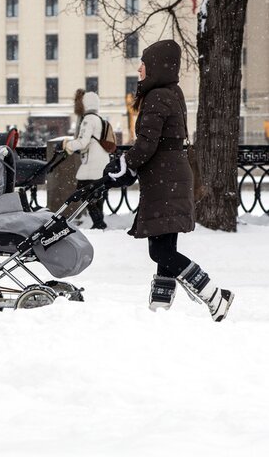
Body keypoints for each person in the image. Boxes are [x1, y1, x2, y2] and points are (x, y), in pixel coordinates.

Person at [104, 39, 233, 321]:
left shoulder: (157, 97)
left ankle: (214, 294)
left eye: (143, 64)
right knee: (165, 248)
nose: (139, 69)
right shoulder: (171, 92)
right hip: (169, 176)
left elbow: (146, 144)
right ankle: (160, 307)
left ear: (156, 67)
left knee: (160, 251)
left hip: (165, 180)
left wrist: (125, 164)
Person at [64, 89, 108, 229]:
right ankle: (99, 221)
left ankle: (98, 222)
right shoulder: (99, 119)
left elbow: (83, 142)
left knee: (83, 190)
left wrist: (67, 145)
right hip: (102, 161)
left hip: (92, 163)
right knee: (97, 192)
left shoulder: (88, 120)